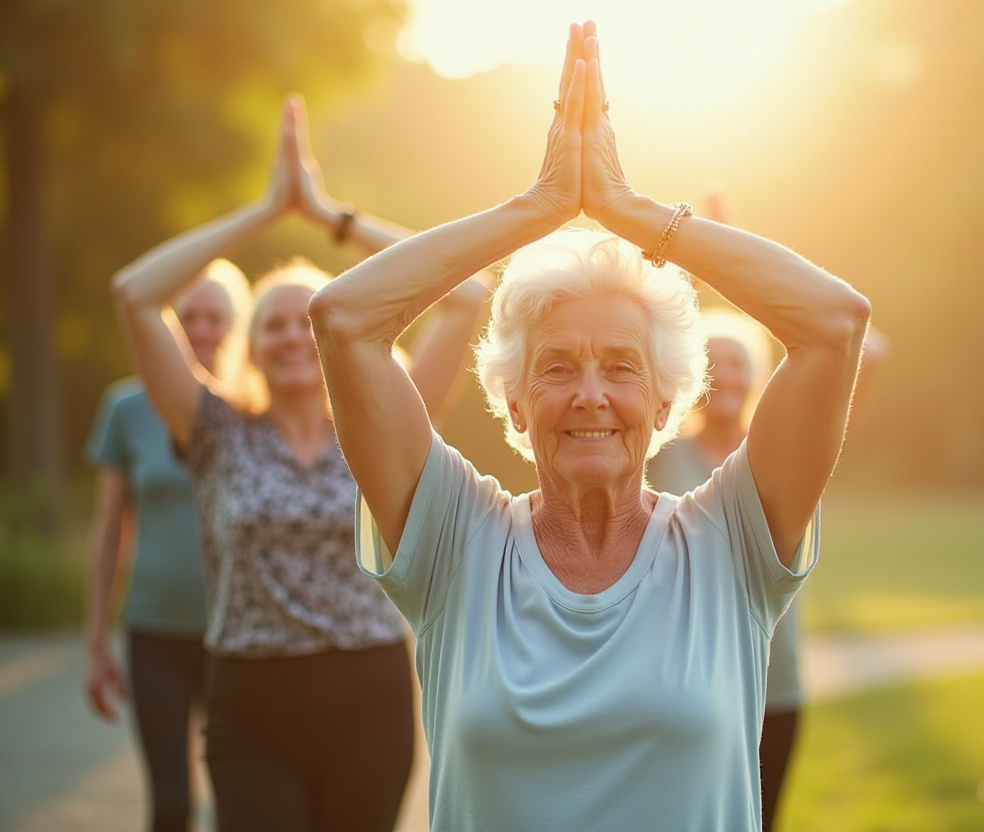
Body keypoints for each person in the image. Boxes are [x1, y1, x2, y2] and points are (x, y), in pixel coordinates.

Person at [310, 21, 871, 832]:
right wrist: (538, 208)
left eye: (620, 367)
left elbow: (836, 321)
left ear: (666, 400)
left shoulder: (732, 539)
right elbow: (345, 317)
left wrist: (628, 209)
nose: (590, 394)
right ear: (512, 399)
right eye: (557, 367)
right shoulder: (454, 541)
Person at [110, 93, 490, 832]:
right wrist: (266, 210)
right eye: (273, 324)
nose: (292, 336)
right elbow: (134, 294)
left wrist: (329, 218)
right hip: (251, 704)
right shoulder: (214, 427)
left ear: (331, 335)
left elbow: (467, 295)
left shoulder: (384, 420)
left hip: (369, 696)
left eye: (308, 321)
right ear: (250, 345)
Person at [648, 301, 888, 832]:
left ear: (758, 373)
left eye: (739, 362)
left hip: (774, 676)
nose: (727, 374)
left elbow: (867, 349)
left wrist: (754, 286)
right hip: (686, 672)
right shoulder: (661, 453)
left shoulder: (786, 451)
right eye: (714, 362)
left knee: (763, 820)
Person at [84, 259, 249, 832]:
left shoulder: (254, 413)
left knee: (242, 804)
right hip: (154, 634)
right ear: (167, 325)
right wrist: (96, 640)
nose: (201, 329)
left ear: (237, 326)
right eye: (187, 317)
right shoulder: (125, 409)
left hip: (239, 639)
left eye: (215, 317)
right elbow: (109, 532)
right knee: (172, 805)